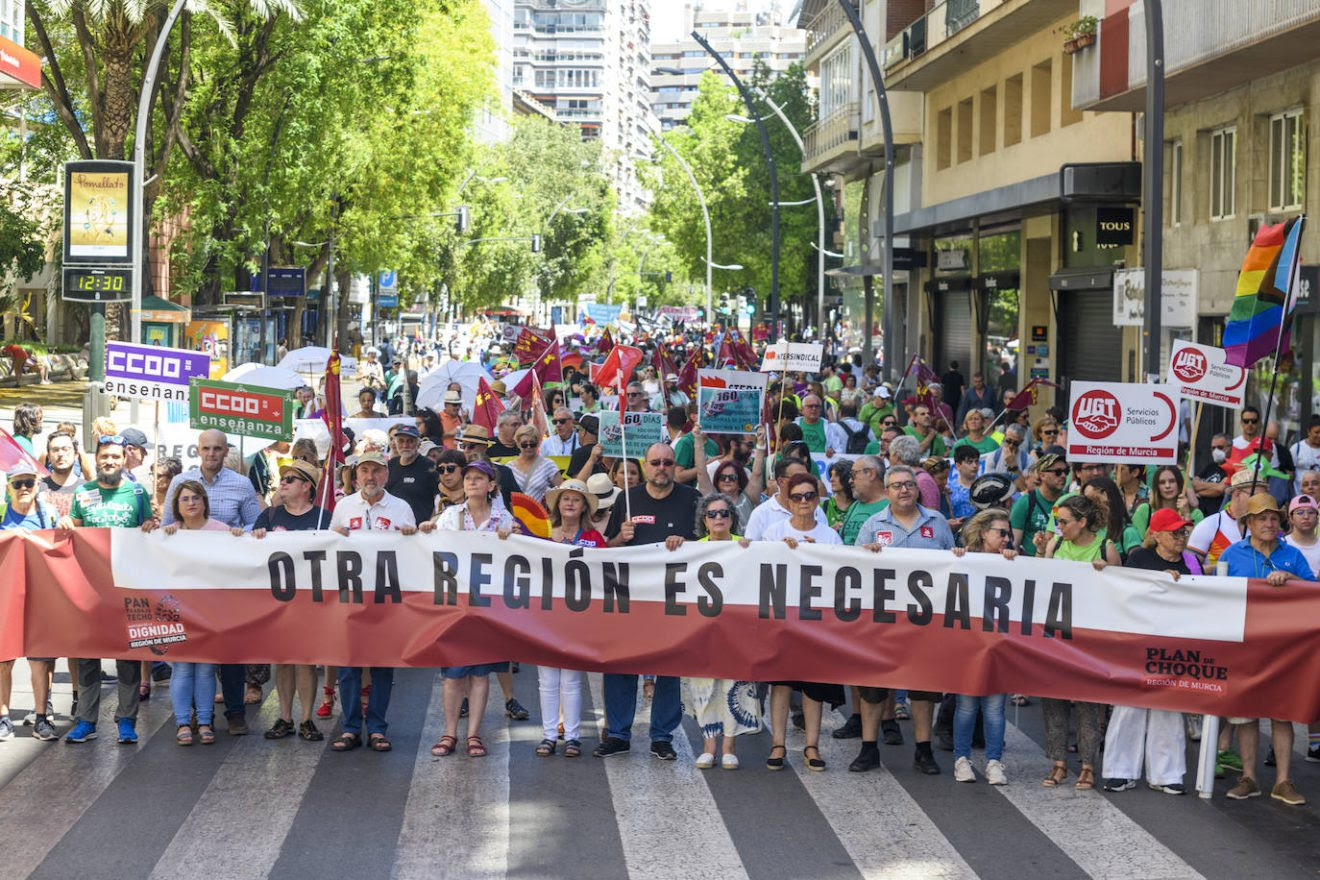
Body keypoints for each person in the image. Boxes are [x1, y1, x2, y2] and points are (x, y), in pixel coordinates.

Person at [597, 443, 698, 759]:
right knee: (620, 664)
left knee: (668, 667)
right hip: (631, 598)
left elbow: (708, 546)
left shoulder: (691, 499)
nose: (662, 467)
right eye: (655, 462)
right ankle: (617, 734)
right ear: (646, 465)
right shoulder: (627, 497)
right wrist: (619, 537)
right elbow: (608, 548)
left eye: (668, 462)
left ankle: (662, 737)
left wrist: (688, 544)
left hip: (672, 599)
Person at [853, 465, 956, 775]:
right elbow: (853, 568)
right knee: (872, 687)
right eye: (896, 485)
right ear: (887, 491)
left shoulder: (937, 523)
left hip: (925, 623)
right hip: (882, 621)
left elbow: (954, 564)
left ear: (916, 488)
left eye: (909, 484)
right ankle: (869, 748)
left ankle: (923, 751)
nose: (904, 490)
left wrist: (960, 554)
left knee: (923, 688)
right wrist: (863, 554)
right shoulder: (873, 525)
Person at [58, 434, 154, 745]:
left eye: (115, 456)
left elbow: (148, 530)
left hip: (126, 588)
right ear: (96, 460)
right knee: (88, 658)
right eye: (104, 457)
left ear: (124, 459)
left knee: (126, 656)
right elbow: (72, 527)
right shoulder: (83, 493)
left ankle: (126, 720)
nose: (109, 462)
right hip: (89, 589)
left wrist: (151, 525)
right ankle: (86, 721)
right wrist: (65, 522)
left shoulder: (137, 492)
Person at [1220, 493, 1316, 805]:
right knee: (1246, 714)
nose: (1270, 523)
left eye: (1274, 517)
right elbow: (1215, 594)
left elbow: (1313, 593)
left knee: (1281, 713)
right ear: (1248, 523)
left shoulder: (1292, 555)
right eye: (1262, 518)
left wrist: (1290, 578)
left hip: (1283, 649)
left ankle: (1283, 782)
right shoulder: (1232, 555)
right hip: (1244, 646)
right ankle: (1248, 778)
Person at [1102, 508, 1199, 794]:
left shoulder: (1192, 563)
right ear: (1156, 535)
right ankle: (1119, 771)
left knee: (1167, 708)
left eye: (1183, 531)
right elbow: (1124, 595)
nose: (1181, 537)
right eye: (1174, 532)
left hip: (1174, 645)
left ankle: (1167, 774)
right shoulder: (1139, 560)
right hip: (1137, 643)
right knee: (1128, 706)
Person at [421, 460, 513, 760]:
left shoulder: (503, 518)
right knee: (453, 673)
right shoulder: (450, 515)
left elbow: (516, 550)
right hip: (457, 604)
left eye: (479, 478)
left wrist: (511, 536)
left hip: (489, 605)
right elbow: (432, 541)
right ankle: (450, 731)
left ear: (491, 485)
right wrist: (425, 530)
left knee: (480, 674)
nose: (472, 482)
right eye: (469, 477)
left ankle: (473, 733)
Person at [328, 452, 418, 753]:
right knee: (348, 664)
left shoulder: (401, 508)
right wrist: (334, 535)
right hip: (350, 596)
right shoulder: (343, 507)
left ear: (386, 475)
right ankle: (351, 727)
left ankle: (378, 727)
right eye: (364, 471)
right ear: (355, 477)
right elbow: (327, 550)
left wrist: (410, 535)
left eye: (376, 471)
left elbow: (412, 553)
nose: (370, 477)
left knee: (382, 664)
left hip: (385, 598)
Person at [760, 473, 843, 772]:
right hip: (782, 618)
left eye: (810, 496)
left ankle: (811, 745)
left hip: (816, 619)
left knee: (813, 684)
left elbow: (841, 571)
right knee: (781, 682)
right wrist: (779, 550)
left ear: (818, 499)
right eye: (798, 497)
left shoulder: (830, 536)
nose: (804, 501)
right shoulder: (773, 532)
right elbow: (759, 568)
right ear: (788, 500)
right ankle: (778, 743)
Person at [244, 460, 328, 742]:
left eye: (291, 479)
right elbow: (249, 551)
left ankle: (306, 718)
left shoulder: (323, 518)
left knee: (304, 661)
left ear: (306, 487)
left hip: (309, 601)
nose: (284, 482)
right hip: (277, 601)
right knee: (283, 660)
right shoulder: (269, 516)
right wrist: (254, 537)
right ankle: (284, 717)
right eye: (283, 478)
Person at [672, 493, 758, 768]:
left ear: (733, 518)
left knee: (733, 685)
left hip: (737, 630)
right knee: (704, 685)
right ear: (704, 520)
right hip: (702, 630)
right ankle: (709, 745)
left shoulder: (746, 546)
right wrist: (674, 545)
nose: (719, 518)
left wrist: (755, 551)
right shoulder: (692, 549)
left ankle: (729, 745)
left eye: (724, 513)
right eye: (712, 514)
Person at [140, 480, 229, 745]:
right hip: (178, 611)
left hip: (210, 611)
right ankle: (182, 723)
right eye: (184, 499)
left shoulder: (222, 531)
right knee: (181, 668)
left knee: (205, 669)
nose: (191, 503)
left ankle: (204, 721)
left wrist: (241, 538)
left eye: (195, 498)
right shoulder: (169, 533)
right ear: (176, 506)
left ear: (204, 502)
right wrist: (149, 531)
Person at [1039, 494, 1112, 791]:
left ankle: (1087, 765)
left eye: (1064, 522)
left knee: (1087, 703)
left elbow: (1119, 589)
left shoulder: (1105, 547)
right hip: (1056, 634)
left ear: (1082, 522)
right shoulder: (1056, 545)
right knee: (1053, 701)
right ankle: (1058, 763)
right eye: (1057, 521)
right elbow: (1039, 581)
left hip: (1089, 638)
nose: (1059, 527)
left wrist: (1106, 571)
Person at [533, 480, 605, 758]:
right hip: (545, 613)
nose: (570, 504)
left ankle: (572, 736)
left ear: (584, 506)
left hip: (578, 615)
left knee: (572, 679)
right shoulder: (542, 533)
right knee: (547, 679)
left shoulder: (594, 538)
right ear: (557, 504)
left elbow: (604, 571)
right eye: (566, 499)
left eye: (576, 499)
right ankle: (550, 735)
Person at [949, 508, 1015, 785]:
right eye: (1001, 532)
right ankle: (961, 759)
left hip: (999, 646)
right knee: (965, 706)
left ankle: (994, 761)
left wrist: (1015, 559)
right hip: (968, 645)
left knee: (995, 708)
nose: (1006, 538)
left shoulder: (1012, 560)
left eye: (1008, 533)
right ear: (983, 533)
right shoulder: (964, 557)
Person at [0, 462, 60, 742]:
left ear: (37, 485)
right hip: (6, 594)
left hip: (41, 595)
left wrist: (67, 527)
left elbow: (62, 549)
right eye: (17, 483)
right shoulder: (1, 513)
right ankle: (4, 718)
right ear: (8, 487)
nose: (24, 488)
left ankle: (40, 719)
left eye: (29, 483)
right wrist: (11, 535)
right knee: (3, 660)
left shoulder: (49, 514)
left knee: (40, 660)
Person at [1188, 468, 1259, 569]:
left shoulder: (1265, 528)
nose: (1260, 500)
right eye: (1255, 495)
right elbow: (1191, 570)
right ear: (1237, 494)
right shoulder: (1209, 525)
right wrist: (1223, 569)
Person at [744, 457, 828, 541]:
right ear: (781, 482)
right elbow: (751, 550)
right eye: (798, 477)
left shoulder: (816, 510)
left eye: (806, 477)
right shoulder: (761, 514)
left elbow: (826, 545)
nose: (803, 482)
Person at [1011, 451, 1067, 556]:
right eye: (1058, 472)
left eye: (1066, 471)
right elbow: (1015, 544)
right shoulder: (1024, 503)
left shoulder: (1069, 501)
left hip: (1061, 564)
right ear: (1042, 475)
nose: (1063, 475)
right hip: (1032, 565)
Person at [1131, 466, 1202, 540]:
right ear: (1156, 487)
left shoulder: (1195, 514)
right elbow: (1138, 545)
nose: (1167, 486)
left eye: (1172, 481)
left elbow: (1195, 545)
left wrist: (1187, 515)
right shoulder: (1145, 510)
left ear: (1180, 484)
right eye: (1162, 482)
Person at [385, 424, 437, 523]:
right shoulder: (390, 465)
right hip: (392, 528)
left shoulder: (430, 467)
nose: (405, 445)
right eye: (401, 441)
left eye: (410, 441)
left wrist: (430, 523)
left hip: (420, 530)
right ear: (395, 443)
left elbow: (438, 500)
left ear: (418, 444)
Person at [508, 424, 562, 502]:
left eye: (532, 444)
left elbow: (561, 491)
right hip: (515, 512)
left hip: (539, 512)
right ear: (518, 444)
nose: (528, 447)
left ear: (538, 444)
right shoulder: (510, 467)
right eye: (524, 444)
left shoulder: (548, 465)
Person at [39, 431, 84, 519]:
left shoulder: (88, 489)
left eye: (65, 449)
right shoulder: (37, 488)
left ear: (76, 455)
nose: (60, 454)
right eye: (55, 450)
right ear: (48, 456)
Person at [1192, 433, 1233, 516]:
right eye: (1213, 448)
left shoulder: (1232, 467)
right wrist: (1216, 485)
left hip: (1218, 514)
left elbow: (1220, 490)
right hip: (1201, 514)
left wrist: (1199, 493)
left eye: (1220, 447)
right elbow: (1194, 484)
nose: (1216, 451)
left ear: (1230, 447)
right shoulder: (1210, 467)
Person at [1284, 494, 1320, 575]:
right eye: (1300, 513)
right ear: (1291, 518)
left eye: (1311, 512)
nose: (1306, 516)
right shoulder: (1282, 544)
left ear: (1317, 518)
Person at [948, 444, 979, 531]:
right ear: (958, 465)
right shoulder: (949, 489)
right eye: (970, 462)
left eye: (976, 461)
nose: (975, 465)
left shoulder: (984, 487)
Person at [1290, 416, 1320, 495]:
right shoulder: (1297, 448)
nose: (1319, 436)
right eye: (1316, 432)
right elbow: (1290, 474)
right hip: (1299, 497)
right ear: (1308, 432)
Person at [823, 459, 855, 530]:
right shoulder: (823, 506)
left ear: (848, 477)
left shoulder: (859, 506)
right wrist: (831, 531)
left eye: (836, 475)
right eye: (831, 475)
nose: (831, 479)